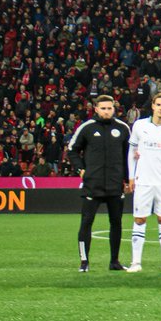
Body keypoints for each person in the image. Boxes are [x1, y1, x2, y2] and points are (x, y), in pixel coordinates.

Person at [68, 94, 132, 273]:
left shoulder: (123, 128)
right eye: (103, 108)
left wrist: (127, 180)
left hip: (115, 185)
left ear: (114, 108)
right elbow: (72, 150)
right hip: (93, 184)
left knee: (116, 223)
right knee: (86, 223)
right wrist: (81, 170)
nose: (106, 111)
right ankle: (84, 261)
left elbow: (129, 157)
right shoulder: (87, 128)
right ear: (95, 109)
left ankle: (114, 261)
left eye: (109, 108)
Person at [128, 92, 161, 273]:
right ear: (152, 106)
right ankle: (136, 263)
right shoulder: (139, 126)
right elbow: (131, 152)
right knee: (139, 219)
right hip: (143, 181)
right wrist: (131, 176)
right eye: (158, 104)